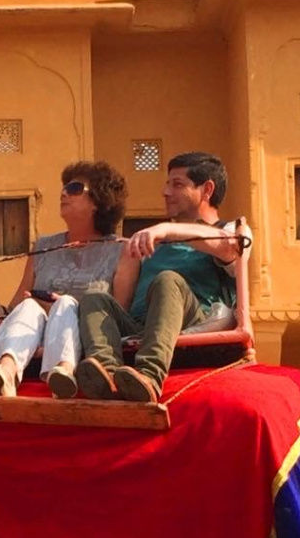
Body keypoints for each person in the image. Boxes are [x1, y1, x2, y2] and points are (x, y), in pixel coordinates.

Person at [75, 151, 245, 404]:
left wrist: (165, 229)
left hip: (192, 322)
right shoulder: (152, 243)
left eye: (177, 184)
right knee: (94, 299)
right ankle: (108, 375)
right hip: (141, 326)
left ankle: (149, 377)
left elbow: (230, 247)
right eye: (167, 184)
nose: (166, 192)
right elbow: (121, 304)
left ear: (207, 189)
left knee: (168, 280)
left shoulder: (230, 230)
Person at [0, 161, 128, 399]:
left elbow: (119, 314)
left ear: (99, 200)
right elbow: (12, 311)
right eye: (64, 187)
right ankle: (6, 372)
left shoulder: (122, 250)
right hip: (32, 335)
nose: (63, 193)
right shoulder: (43, 247)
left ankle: (63, 373)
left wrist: (61, 307)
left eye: (74, 188)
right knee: (30, 306)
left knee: (65, 305)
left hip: (86, 340)